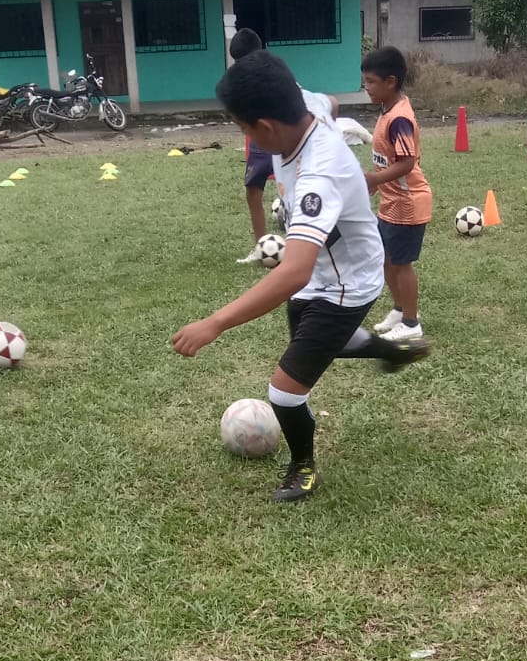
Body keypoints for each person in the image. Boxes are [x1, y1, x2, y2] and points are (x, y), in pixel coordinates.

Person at [174, 51, 429, 503]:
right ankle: (392, 349)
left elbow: (292, 272)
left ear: (265, 127)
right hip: (319, 270)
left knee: (285, 391)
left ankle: (304, 467)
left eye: (242, 127)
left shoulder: (319, 174)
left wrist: (214, 323)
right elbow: (328, 101)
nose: (243, 136)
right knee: (312, 343)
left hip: (348, 283)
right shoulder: (302, 105)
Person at [229, 28, 337, 265]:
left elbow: (325, 103)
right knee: (252, 191)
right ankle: (261, 247)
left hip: (286, 140)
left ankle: (303, 244)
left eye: (242, 60)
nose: (239, 65)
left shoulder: (275, 75)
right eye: (236, 61)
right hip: (262, 141)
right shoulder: (244, 81)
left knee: (296, 192)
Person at [361, 45, 432, 342]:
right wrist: (377, 184)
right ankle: (400, 310)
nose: (366, 87)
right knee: (386, 259)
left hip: (408, 203)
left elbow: (406, 163)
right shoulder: (387, 110)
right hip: (391, 202)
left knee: (402, 264)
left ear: (390, 82)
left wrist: (375, 178)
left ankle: (412, 324)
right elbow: (387, 158)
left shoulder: (400, 118)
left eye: (371, 81)